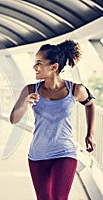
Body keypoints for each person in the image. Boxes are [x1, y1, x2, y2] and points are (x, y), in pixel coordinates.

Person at [9, 40, 96, 200]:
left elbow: (90, 104)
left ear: (54, 67)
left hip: (65, 153)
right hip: (38, 155)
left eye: (39, 63)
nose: (34, 67)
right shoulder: (30, 90)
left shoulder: (75, 90)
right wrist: (25, 105)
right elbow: (13, 119)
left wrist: (89, 134)